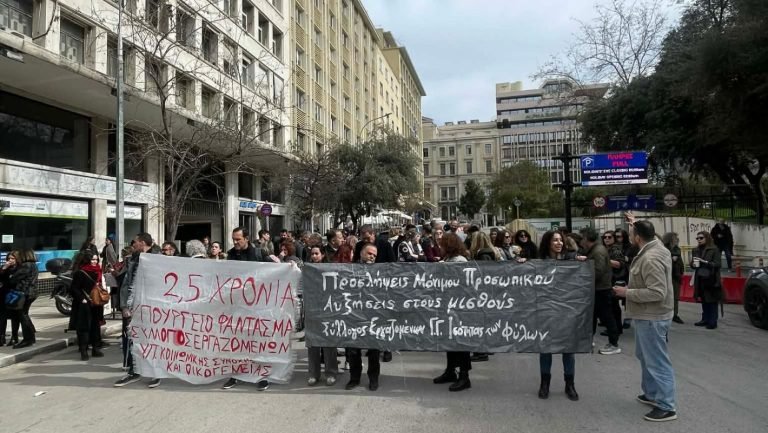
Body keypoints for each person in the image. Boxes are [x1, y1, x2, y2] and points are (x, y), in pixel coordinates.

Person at [613, 215, 678, 422]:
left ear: (638, 238)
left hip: (652, 317)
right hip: (647, 315)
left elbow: (657, 292)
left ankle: (667, 406)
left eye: (631, 233)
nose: (629, 236)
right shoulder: (655, 245)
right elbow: (649, 234)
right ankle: (651, 394)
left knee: (657, 361)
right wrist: (635, 221)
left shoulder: (650, 258)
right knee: (645, 356)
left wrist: (626, 293)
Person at [221, 227, 271, 391]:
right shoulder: (230, 254)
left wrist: (288, 267)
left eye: (238, 239)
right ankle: (236, 374)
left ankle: (261, 376)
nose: (235, 242)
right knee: (237, 343)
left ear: (247, 238)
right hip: (237, 306)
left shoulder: (259, 254)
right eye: (233, 239)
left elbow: (274, 271)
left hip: (257, 307)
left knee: (257, 343)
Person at [537, 230, 581, 401]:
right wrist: (522, 263)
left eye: (561, 240)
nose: (559, 243)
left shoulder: (572, 259)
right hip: (546, 311)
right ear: (548, 243)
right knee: (545, 348)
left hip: (566, 312)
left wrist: (580, 263)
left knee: (568, 349)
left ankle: (570, 384)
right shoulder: (539, 262)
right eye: (555, 240)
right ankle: (544, 383)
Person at [114, 233, 161, 388]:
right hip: (133, 305)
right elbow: (126, 283)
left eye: (135, 242)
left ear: (142, 242)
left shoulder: (158, 258)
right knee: (131, 338)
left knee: (152, 339)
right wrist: (125, 306)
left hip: (151, 306)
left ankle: (155, 372)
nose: (133, 244)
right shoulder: (133, 258)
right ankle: (133, 370)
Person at [432, 233, 472, 392]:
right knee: (449, 340)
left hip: (459, 308)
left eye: (443, 245)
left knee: (460, 341)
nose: (440, 247)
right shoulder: (448, 260)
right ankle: (450, 371)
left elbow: (462, 284)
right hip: (448, 306)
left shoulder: (460, 261)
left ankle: (464, 376)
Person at [345, 243, 382, 391]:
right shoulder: (349, 269)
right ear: (361, 253)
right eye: (369, 253)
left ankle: (373, 378)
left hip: (373, 316)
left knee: (374, 349)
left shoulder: (380, 271)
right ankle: (354, 378)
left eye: (374, 255)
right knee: (353, 349)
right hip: (354, 315)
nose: (372, 256)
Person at [580, 227, 621, 355]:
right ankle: (589, 340)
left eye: (582, 238)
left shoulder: (598, 251)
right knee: (592, 317)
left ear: (586, 238)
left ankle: (614, 344)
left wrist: (582, 277)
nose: (581, 241)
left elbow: (597, 271)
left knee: (607, 317)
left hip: (601, 290)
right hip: (597, 289)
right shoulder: (595, 249)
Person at [305, 246, 338, 386]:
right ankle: (313, 374)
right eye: (312, 254)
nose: (314, 256)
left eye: (316, 253)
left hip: (328, 310)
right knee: (312, 344)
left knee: (328, 344)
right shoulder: (306, 269)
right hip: (312, 310)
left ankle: (331, 373)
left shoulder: (330, 269)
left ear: (323, 255)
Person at [70, 252, 105, 360]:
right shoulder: (80, 272)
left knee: (95, 326)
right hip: (84, 304)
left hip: (96, 303)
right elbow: (74, 288)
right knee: (84, 327)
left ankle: (96, 348)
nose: (95, 262)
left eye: (96, 260)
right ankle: (84, 350)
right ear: (87, 260)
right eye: (92, 260)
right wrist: (82, 299)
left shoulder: (98, 271)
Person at [1, 249, 39, 349]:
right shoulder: (33, 265)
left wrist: (7, 274)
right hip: (30, 293)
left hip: (25, 293)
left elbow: (13, 280)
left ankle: (27, 339)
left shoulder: (26, 265)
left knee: (23, 315)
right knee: (24, 315)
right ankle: (31, 338)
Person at [691, 231, 723, 329]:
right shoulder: (695, 250)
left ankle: (713, 321)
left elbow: (718, 264)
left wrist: (706, 262)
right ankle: (705, 319)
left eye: (701, 238)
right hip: (700, 277)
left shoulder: (714, 249)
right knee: (704, 299)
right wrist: (693, 264)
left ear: (707, 238)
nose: (699, 240)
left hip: (711, 278)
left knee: (712, 300)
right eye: (697, 238)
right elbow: (693, 265)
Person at [602, 230, 628, 337]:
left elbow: (619, 264)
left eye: (609, 237)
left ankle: (616, 329)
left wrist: (603, 260)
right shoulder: (607, 249)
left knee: (613, 306)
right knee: (611, 306)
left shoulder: (615, 249)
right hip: (609, 280)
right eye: (605, 237)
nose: (607, 239)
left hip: (614, 280)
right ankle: (615, 328)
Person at [662, 233, 685, 324]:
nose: (677, 239)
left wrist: (681, 271)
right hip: (667, 276)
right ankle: (666, 314)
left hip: (676, 276)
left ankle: (675, 314)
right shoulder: (664, 249)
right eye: (675, 238)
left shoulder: (677, 249)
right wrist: (671, 260)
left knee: (675, 296)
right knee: (666, 296)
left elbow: (680, 261)